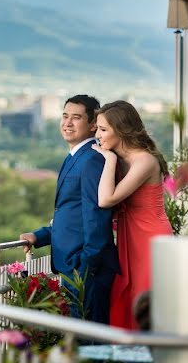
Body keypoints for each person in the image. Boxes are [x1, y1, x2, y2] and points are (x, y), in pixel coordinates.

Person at [20, 95, 119, 324]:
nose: (68, 123)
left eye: (76, 117)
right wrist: (39, 236)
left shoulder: (92, 159)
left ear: (93, 124)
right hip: (75, 268)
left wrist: (86, 265)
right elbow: (70, 213)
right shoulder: (74, 156)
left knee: (90, 342)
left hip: (85, 271)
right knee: (82, 339)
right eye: (65, 116)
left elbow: (96, 217)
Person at [91, 100, 173, 330]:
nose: (97, 134)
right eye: (98, 128)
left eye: (103, 129)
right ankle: (128, 359)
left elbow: (106, 199)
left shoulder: (144, 160)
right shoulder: (122, 158)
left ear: (122, 130)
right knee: (126, 294)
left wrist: (109, 159)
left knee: (147, 296)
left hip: (150, 238)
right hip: (130, 237)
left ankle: (151, 359)